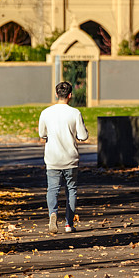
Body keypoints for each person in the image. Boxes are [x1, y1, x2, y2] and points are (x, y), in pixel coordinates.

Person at [38, 81, 89, 233]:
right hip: (70, 158)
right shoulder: (75, 113)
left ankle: (53, 214)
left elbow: (42, 133)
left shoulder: (46, 113)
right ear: (70, 95)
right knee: (71, 190)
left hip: (53, 158)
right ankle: (69, 224)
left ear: (56, 94)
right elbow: (82, 136)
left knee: (52, 189)